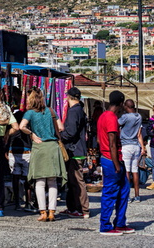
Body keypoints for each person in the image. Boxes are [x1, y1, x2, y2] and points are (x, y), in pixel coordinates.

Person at [19, 89, 67, 223]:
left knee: (39, 183)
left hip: (39, 147)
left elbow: (22, 126)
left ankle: (43, 212)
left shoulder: (30, 113)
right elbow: (61, 127)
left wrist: (32, 134)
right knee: (52, 182)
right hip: (53, 147)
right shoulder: (51, 111)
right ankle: (52, 212)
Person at [96, 90, 133, 236]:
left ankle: (120, 222)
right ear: (121, 103)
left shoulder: (102, 116)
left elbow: (100, 139)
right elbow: (112, 143)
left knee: (124, 190)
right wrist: (117, 164)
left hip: (109, 158)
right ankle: (105, 225)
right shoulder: (111, 118)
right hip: (112, 159)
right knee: (110, 193)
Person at [60, 87, 90, 218]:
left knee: (77, 181)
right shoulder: (80, 110)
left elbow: (70, 132)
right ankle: (72, 207)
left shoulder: (73, 111)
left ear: (69, 97)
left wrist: (60, 136)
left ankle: (83, 209)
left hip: (74, 150)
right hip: (79, 148)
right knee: (73, 180)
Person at [118, 99, 146, 203]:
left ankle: (127, 195)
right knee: (135, 171)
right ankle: (137, 195)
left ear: (126, 106)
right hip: (136, 145)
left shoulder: (125, 117)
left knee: (126, 171)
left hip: (126, 145)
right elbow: (139, 133)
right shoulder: (139, 116)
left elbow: (117, 123)